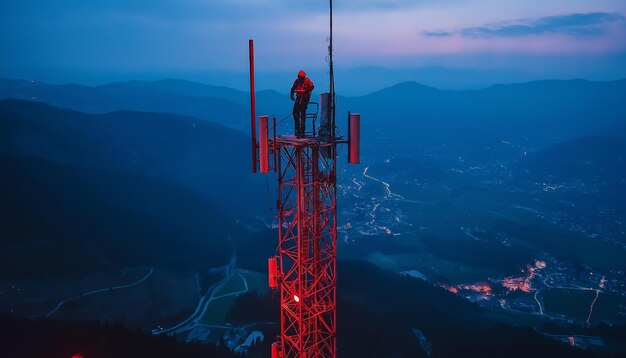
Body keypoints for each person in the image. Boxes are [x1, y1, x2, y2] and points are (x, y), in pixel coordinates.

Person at [290, 70, 314, 137]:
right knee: (296, 113)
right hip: (298, 98)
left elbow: (312, 87)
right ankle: (298, 130)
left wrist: (305, 91)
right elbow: (292, 88)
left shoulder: (307, 80)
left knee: (302, 114)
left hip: (304, 99)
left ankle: (302, 131)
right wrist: (291, 95)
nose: (300, 79)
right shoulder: (297, 81)